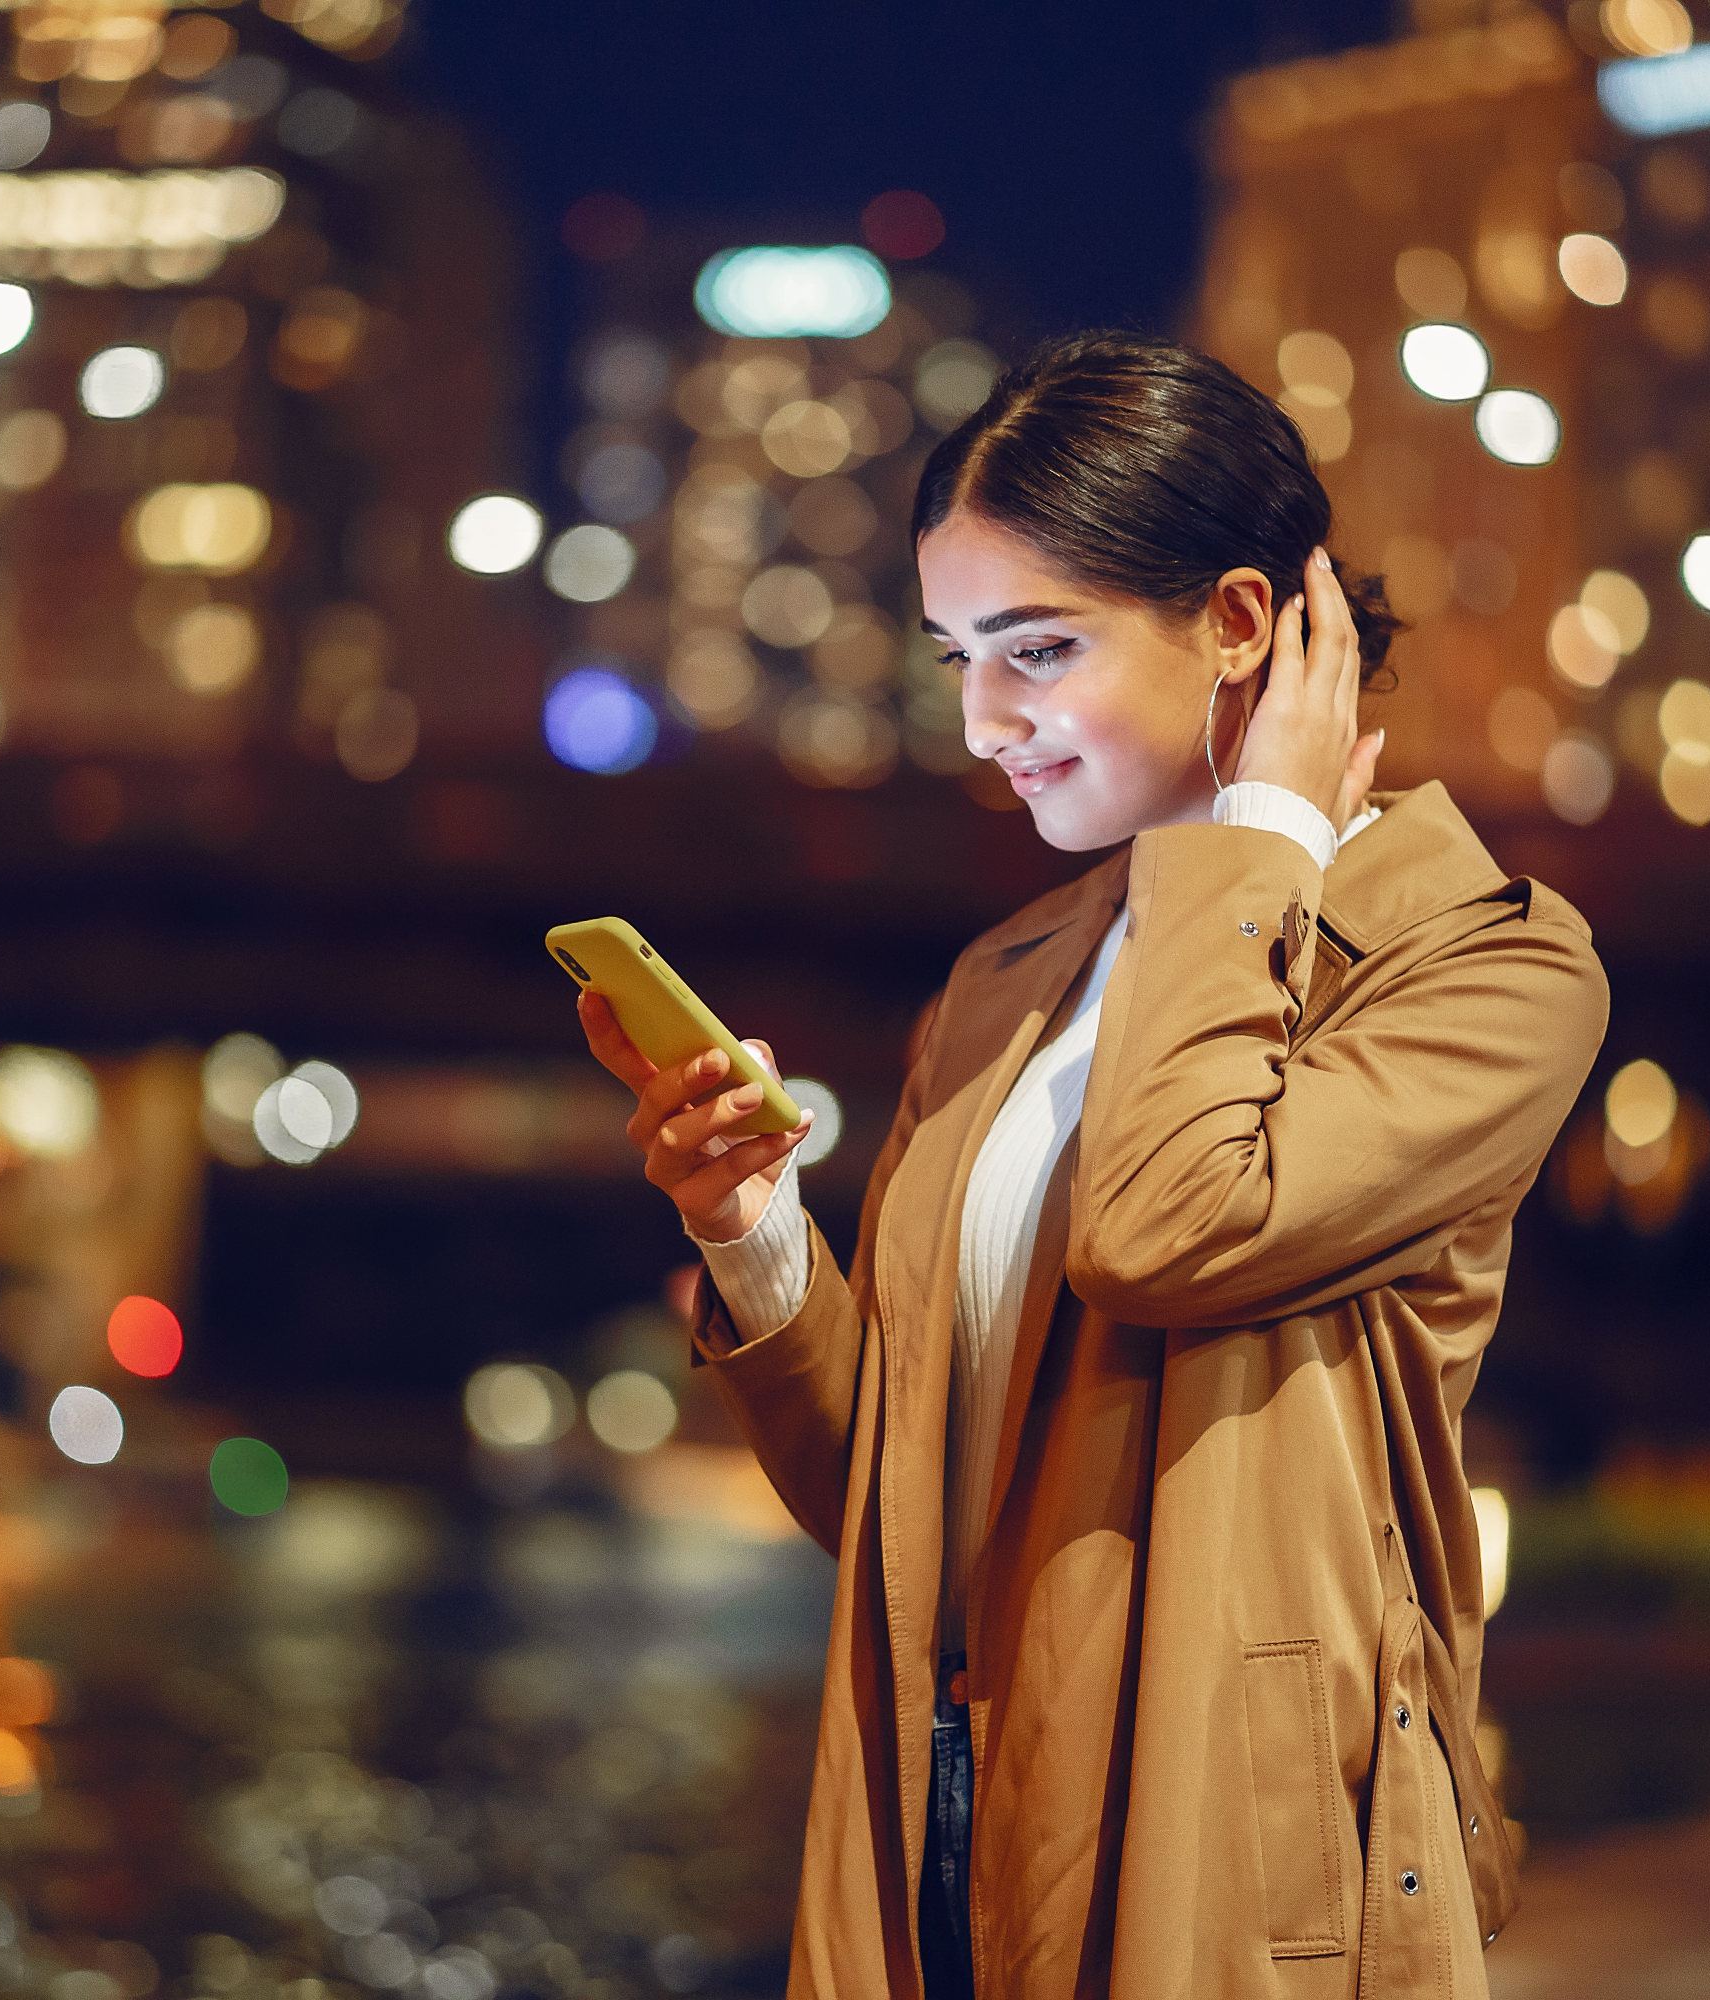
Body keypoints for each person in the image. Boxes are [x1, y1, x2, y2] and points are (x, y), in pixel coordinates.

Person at [579, 333, 1610, 1995]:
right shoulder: (1003, 983)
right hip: (944, 1807)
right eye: (958, 654)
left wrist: (1255, 840)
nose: (986, 718)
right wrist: (756, 1231)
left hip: (1223, 1834)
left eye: (1039, 647)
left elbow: (1173, 1225)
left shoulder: (1484, 964)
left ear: (1242, 625)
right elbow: (899, 1506)